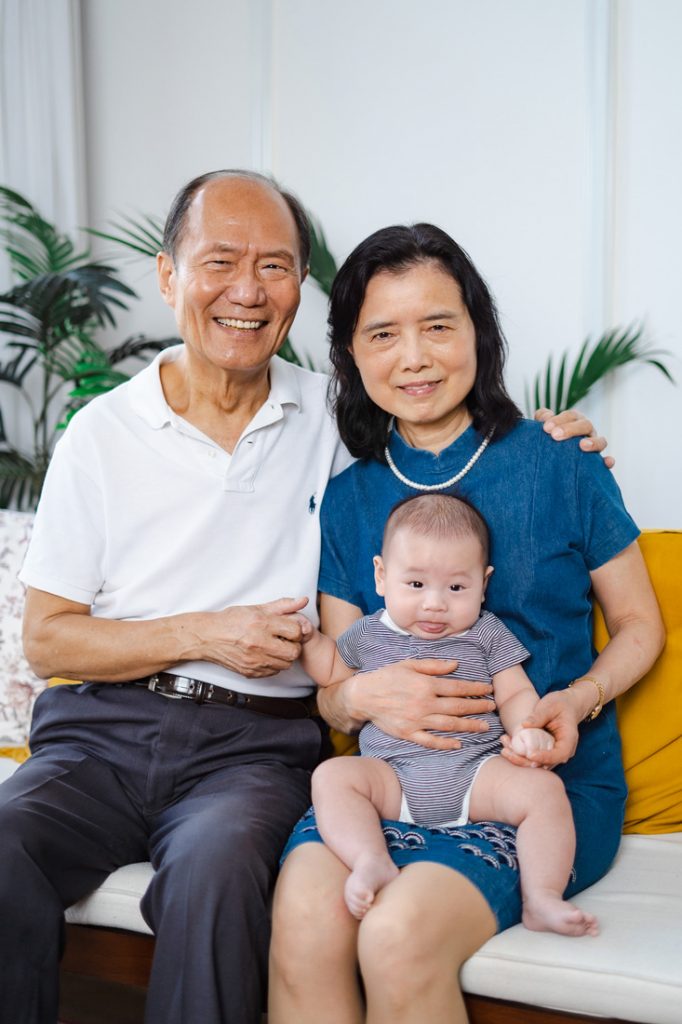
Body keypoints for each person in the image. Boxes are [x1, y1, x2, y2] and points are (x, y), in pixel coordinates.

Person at [0, 169, 608, 1024]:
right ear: (170, 276)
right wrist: (204, 634)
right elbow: (49, 640)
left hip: (249, 749)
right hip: (99, 733)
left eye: (275, 266)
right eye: (220, 262)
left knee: (217, 874)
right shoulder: (100, 433)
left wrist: (561, 436)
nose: (247, 291)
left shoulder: (336, 414)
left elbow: (439, 439)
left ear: (298, 291)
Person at [268, 223, 665, 1024]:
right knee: (306, 922)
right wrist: (361, 701)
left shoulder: (562, 460)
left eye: (438, 326)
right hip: (393, 782)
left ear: (478, 332)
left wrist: (577, 699)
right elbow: (339, 691)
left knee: (397, 936)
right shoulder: (348, 501)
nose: (413, 356)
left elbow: (639, 627)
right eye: (383, 334)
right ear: (350, 355)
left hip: (533, 786)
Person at [298, 492, 597, 937]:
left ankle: (542, 897)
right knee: (332, 778)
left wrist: (527, 731)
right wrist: (305, 638)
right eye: (415, 585)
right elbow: (333, 674)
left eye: (457, 588)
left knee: (544, 791)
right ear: (381, 576)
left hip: (475, 773)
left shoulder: (487, 632)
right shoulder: (367, 633)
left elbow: (514, 691)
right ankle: (369, 859)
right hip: (392, 777)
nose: (435, 604)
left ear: (483, 582)